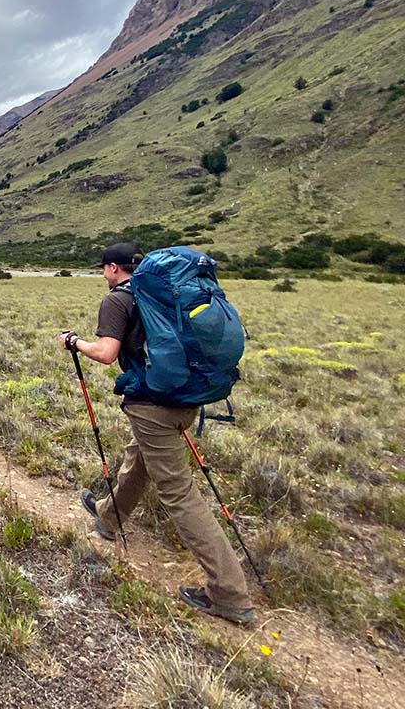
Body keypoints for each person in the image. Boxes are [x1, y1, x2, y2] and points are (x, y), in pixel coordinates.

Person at [57, 242, 254, 625]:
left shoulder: (118, 300)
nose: (104, 274)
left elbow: (107, 353)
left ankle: (229, 592)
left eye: (104, 268)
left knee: (178, 493)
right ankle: (108, 517)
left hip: (153, 402)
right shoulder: (166, 291)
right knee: (140, 457)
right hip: (188, 395)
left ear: (113, 268)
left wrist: (74, 342)